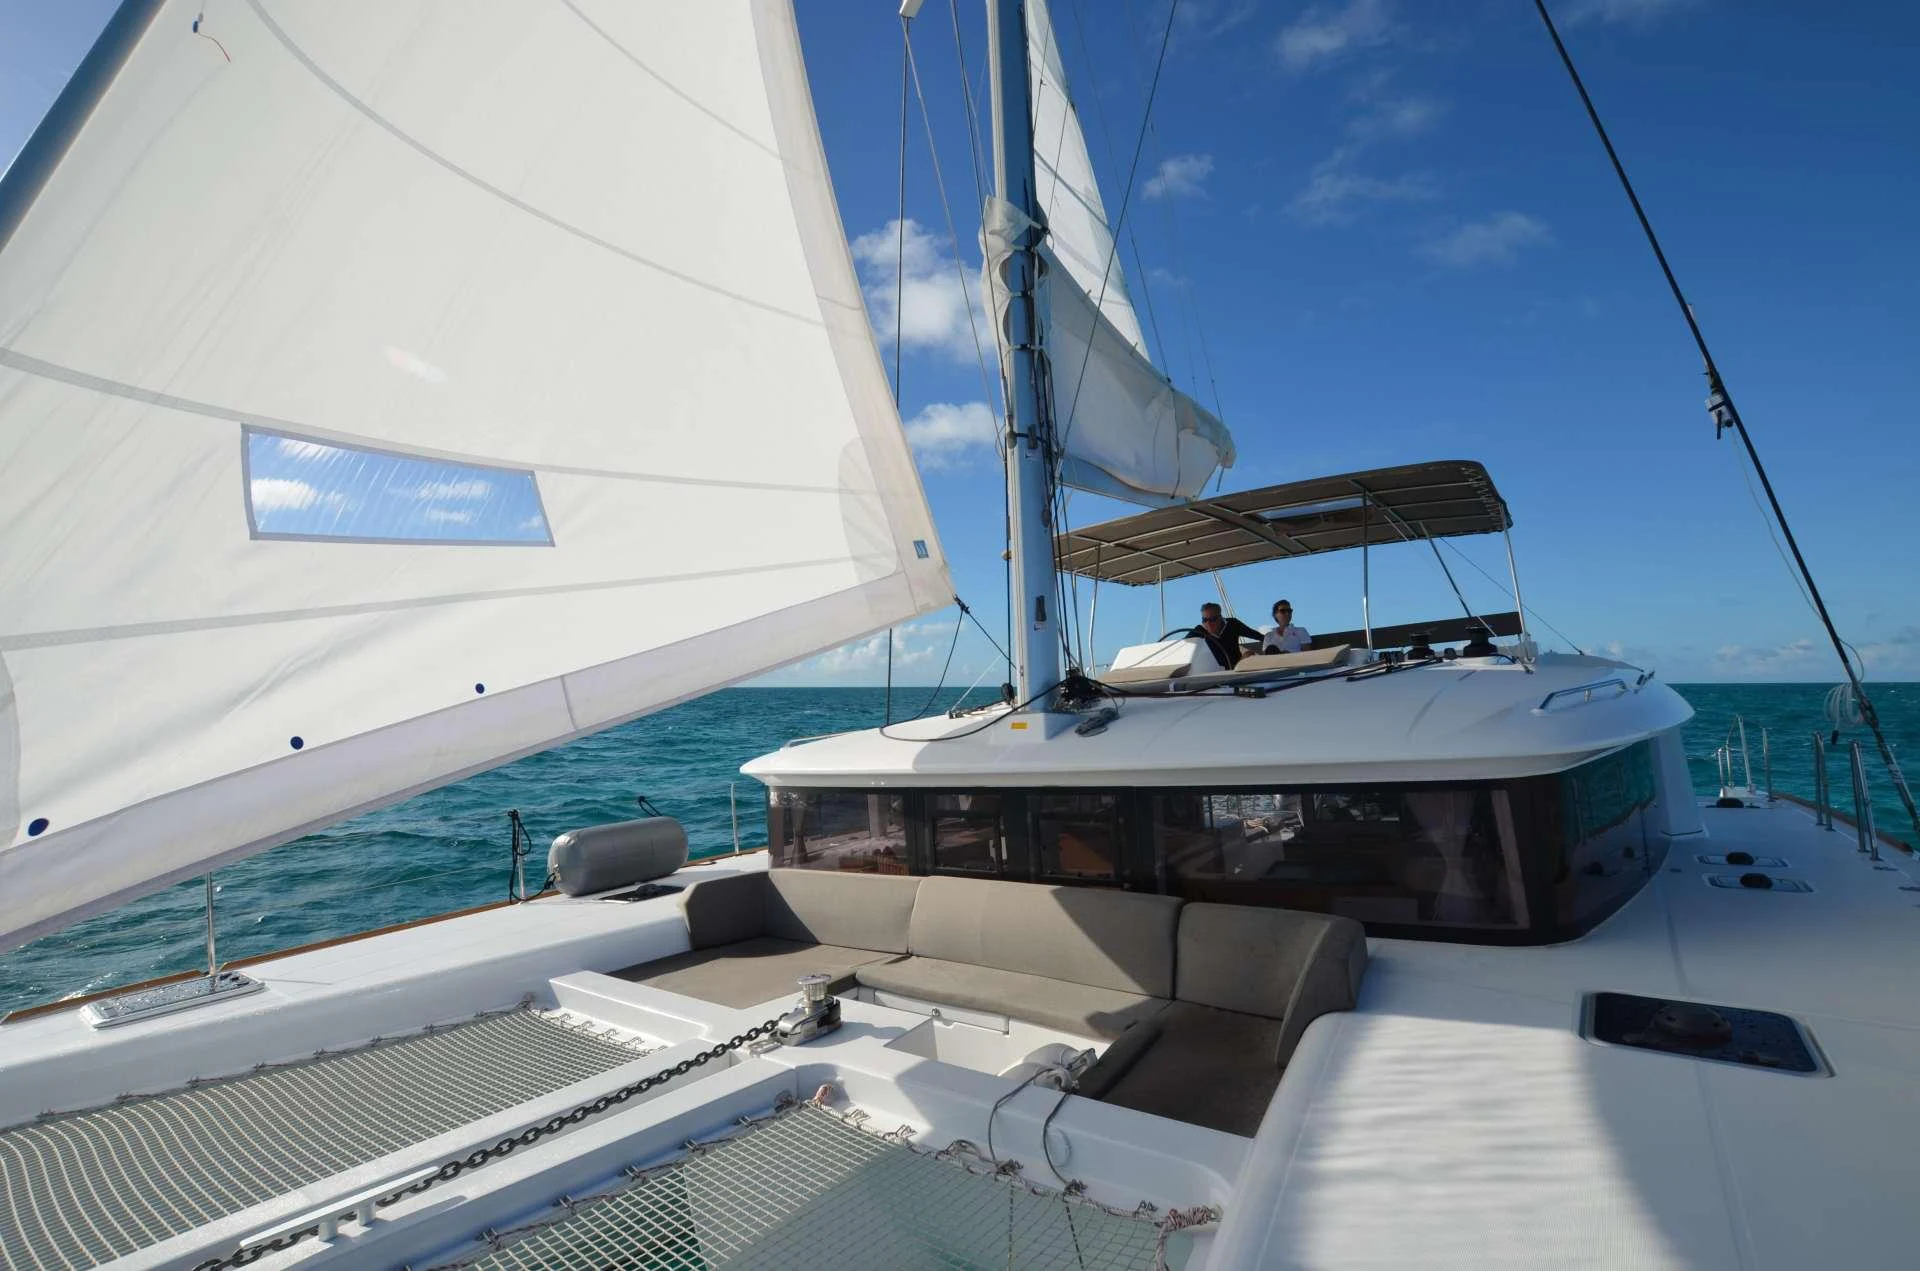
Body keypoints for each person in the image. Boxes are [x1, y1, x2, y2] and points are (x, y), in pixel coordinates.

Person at [1188, 602, 1263, 669]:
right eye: (1205, 620)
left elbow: (1258, 636)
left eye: (1212, 620)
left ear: (1220, 618)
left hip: (1235, 669)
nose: (1208, 623)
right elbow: (1182, 645)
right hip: (1211, 671)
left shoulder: (1233, 624)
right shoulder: (1198, 631)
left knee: (1249, 654)